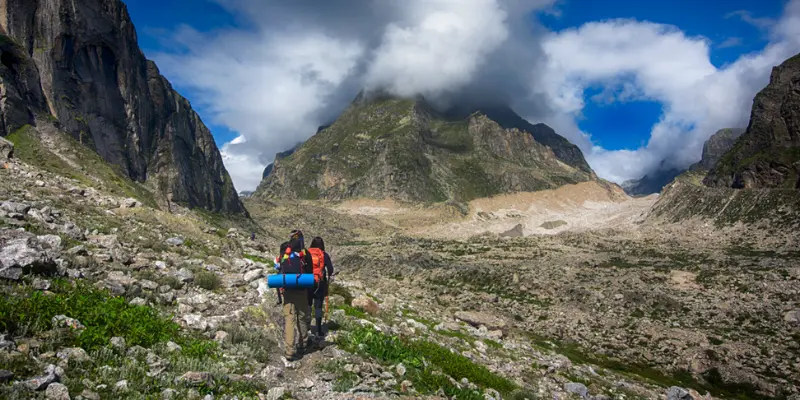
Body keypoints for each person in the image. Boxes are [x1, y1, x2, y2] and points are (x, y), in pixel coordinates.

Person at [280, 230, 313, 361]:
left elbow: (280, 268)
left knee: (289, 318)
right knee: (302, 316)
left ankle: (289, 350)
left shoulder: (284, 251)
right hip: (301, 289)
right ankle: (303, 343)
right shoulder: (304, 253)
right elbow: (309, 271)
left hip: (287, 289)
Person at [307, 236, 335, 337]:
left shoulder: (307, 253)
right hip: (320, 283)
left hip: (308, 281)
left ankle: (307, 327)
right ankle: (319, 330)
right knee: (318, 306)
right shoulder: (324, 255)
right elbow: (331, 270)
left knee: (308, 304)